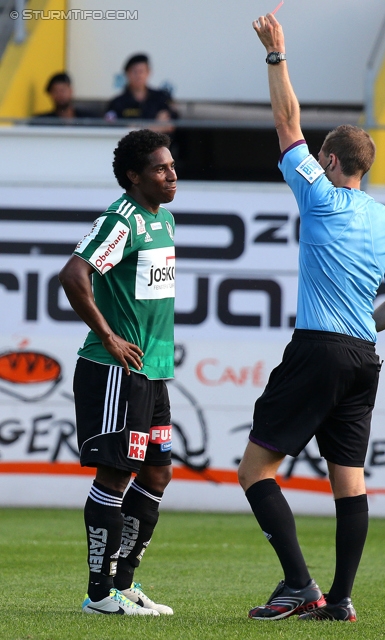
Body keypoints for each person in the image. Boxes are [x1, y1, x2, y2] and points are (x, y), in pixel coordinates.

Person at [238, 13, 385, 623]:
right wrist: (360, 324)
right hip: (364, 356)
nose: (311, 160)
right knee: (351, 480)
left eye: (319, 156)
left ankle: (297, 584)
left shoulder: (321, 195)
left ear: (333, 160)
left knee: (255, 468)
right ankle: (339, 601)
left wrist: (276, 54)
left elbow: (287, 122)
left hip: (317, 347)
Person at [59, 129, 177, 615]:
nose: (172, 176)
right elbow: (73, 273)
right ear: (134, 176)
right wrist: (108, 335)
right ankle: (98, 594)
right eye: (160, 169)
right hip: (115, 369)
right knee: (116, 475)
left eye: (172, 166)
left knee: (158, 473)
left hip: (153, 369)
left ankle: (125, 585)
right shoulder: (121, 220)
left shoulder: (163, 219)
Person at [105, 53, 178, 127]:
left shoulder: (161, 98)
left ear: (148, 72)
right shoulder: (117, 103)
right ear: (127, 73)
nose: (138, 76)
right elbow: (113, 128)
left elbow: (171, 125)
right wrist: (155, 126)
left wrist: (137, 128)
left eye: (141, 71)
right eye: (134, 71)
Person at [33, 72, 97, 120]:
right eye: (56, 91)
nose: (60, 94)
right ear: (51, 94)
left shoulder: (88, 119)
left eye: (63, 90)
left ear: (71, 91)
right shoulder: (43, 121)